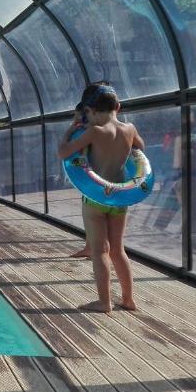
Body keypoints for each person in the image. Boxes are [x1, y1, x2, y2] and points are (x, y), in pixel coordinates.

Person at [58, 84, 140, 313]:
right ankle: (128, 299)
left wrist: (71, 129)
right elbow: (139, 151)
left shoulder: (94, 132)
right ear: (118, 107)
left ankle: (104, 302)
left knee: (99, 251)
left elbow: (64, 152)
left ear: (90, 110)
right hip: (120, 197)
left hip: (96, 197)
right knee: (118, 250)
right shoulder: (129, 129)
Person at [67, 102, 91, 259]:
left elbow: (67, 151)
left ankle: (96, 249)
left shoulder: (89, 133)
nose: (75, 120)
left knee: (91, 217)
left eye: (77, 116)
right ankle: (90, 247)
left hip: (93, 182)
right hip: (98, 180)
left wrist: (70, 131)